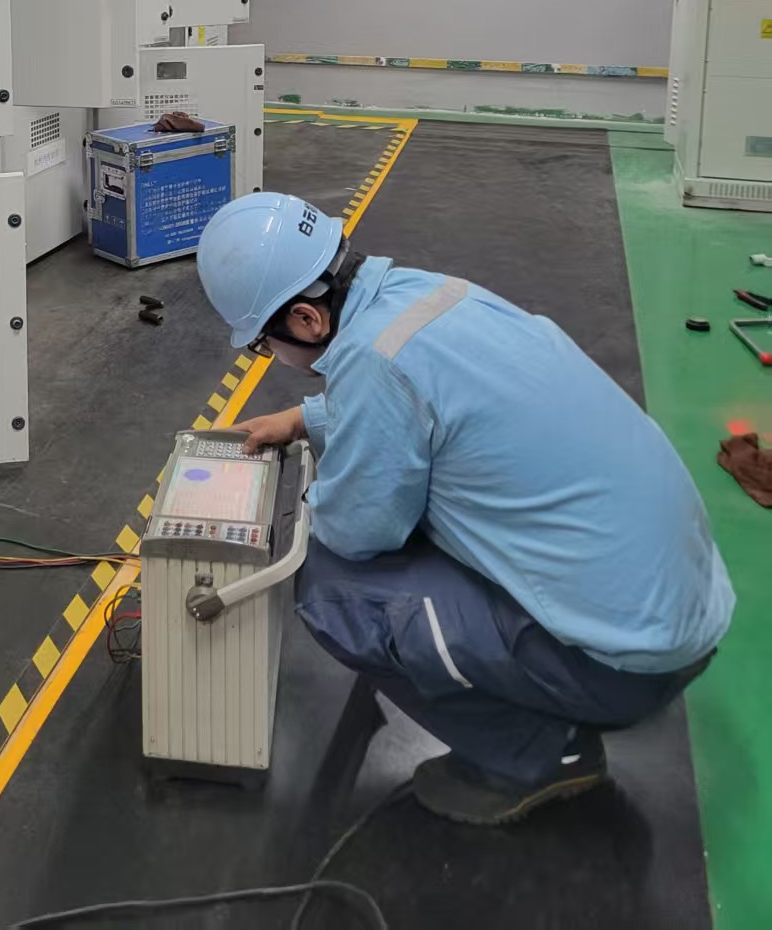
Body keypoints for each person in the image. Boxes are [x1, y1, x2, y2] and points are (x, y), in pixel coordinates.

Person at [195, 192, 734, 825]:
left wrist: (297, 503)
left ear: (307, 321)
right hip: (685, 612)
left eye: (262, 344)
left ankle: (534, 756)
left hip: (626, 669)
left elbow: (356, 529)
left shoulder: (374, 362)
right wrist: (305, 419)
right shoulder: (425, 294)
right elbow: (424, 395)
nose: (269, 356)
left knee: (328, 585)